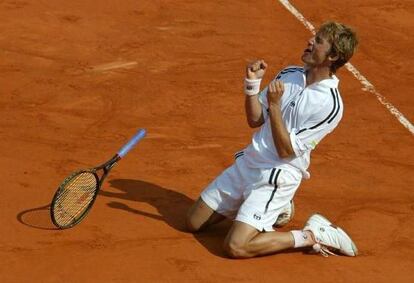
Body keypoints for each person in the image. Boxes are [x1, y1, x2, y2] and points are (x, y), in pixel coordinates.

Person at [186, 21, 359, 258]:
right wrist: (252, 84)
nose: (310, 41)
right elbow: (255, 119)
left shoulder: (330, 105)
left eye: (318, 41)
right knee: (193, 222)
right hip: (250, 162)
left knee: (236, 246)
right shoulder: (290, 74)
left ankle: (312, 235)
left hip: (278, 173)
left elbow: (286, 151)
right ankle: (276, 209)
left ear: (334, 55)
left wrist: (276, 107)